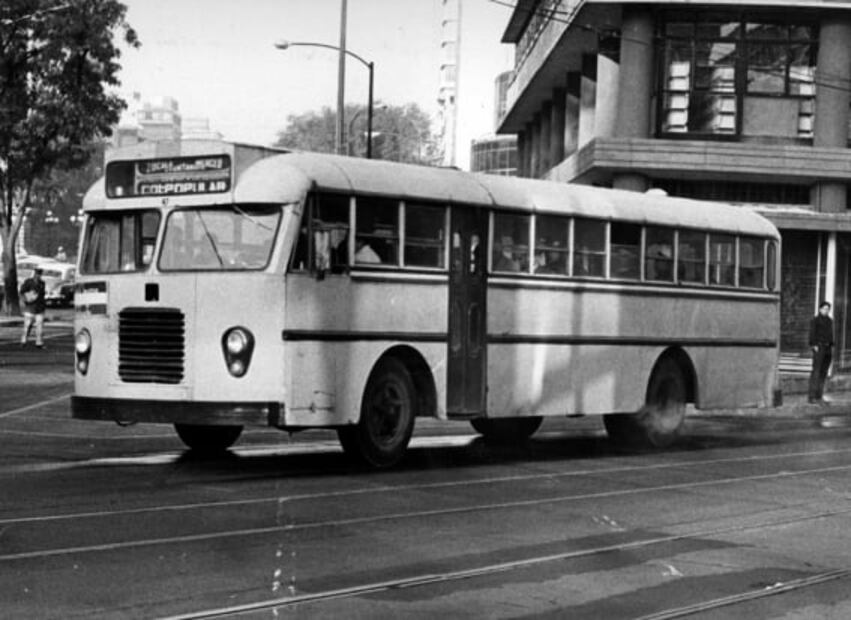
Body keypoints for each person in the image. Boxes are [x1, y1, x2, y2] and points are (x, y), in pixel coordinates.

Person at [808, 301, 834, 404]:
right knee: (816, 372)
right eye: (824, 309)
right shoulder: (815, 320)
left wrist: (831, 345)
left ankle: (819, 396)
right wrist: (814, 345)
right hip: (819, 347)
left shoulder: (830, 321)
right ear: (820, 309)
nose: (826, 311)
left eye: (828, 309)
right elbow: (812, 333)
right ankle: (812, 397)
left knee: (823, 373)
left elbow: (831, 334)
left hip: (828, 349)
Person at [20, 267, 47, 348]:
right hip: (30, 307)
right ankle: (23, 341)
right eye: (37, 274)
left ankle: (39, 343)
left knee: (40, 327)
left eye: (39, 274)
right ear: (34, 274)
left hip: (39, 307)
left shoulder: (42, 283)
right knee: (27, 326)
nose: (38, 276)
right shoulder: (28, 282)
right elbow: (22, 292)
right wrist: (26, 299)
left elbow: (42, 295)